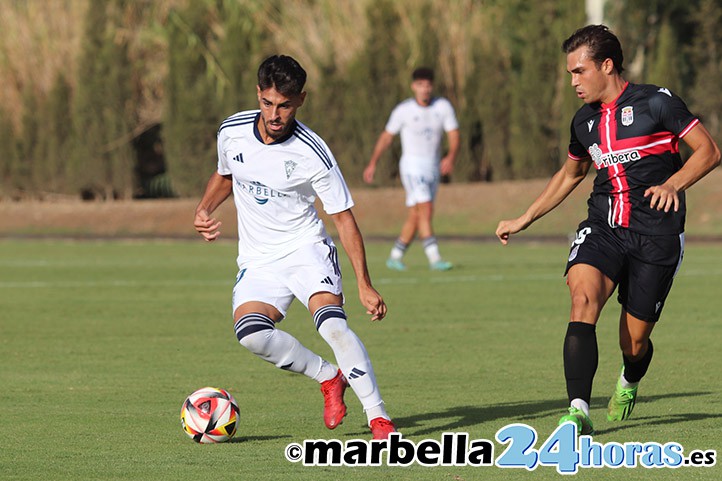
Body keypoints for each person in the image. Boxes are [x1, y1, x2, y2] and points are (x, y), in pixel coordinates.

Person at [495, 25, 720, 435]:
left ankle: (630, 378)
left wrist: (673, 184)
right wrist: (524, 217)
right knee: (582, 298)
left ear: (607, 65)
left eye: (579, 71)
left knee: (633, 344)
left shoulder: (657, 103)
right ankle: (578, 411)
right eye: (570, 74)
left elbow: (709, 150)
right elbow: (570, 174)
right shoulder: (583, 122)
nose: (574, 82)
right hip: (604, 227)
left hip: (657, 236)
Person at [194, 55, 397, 440]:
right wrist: (203, 209)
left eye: (285, 105)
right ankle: (328, 377)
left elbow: (343, 218)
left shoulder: (313, 152)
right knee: (251, 334)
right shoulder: (232, 131)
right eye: (268, 103)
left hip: (306, 249)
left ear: (300, 100)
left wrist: (364, 283)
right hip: (258, 259)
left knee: (334, 327)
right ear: (258, 94)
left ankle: (378, 417)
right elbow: (224, 175)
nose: (275, 114)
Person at [363, 67, 460, 271]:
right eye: (420, 85)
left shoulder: (442, 107)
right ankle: (435, 258)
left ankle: (395, 256)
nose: (424, 89)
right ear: (413, 86)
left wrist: (451, 156)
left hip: (432, 167)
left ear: (432, 86)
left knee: (416, 215)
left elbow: (453, 134)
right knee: (426, 210)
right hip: (412, 167)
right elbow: (387, 137)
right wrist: (373, 162)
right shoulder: (403, 110)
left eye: (428, 85)